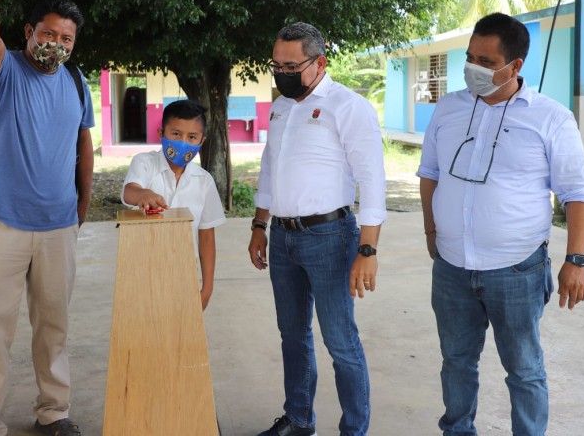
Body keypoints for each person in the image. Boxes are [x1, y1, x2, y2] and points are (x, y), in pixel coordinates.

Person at [417, 12, 584, 436]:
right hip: (452, 267)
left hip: (517, 268)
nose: (473, 69)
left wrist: (577, 258)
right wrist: (431, 232)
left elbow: (577, 193)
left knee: (524, 368)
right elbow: (430, 174)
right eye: (469, 58)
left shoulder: (550, 118)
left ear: (515, 66)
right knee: (456, 362)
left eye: (486, 61)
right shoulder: (449, 107)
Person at [0, 0, 94, 436]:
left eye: (66, 37)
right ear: (28, 33)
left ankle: (53, 413)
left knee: (53, 329)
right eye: (47, 33)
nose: (55, 44)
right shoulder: (5, 70)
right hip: (1, 225)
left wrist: (80, 207)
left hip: (58, 227)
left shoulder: (77, 82)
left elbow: (83, 147)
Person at [248, 22, 387, 436]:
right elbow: (270, 168)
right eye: (276, 65)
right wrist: (260, 224)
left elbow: (373, 181)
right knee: (292, 335)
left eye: (291, 65)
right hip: (284, 238)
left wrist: (368, 249)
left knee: (341, 342)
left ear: (320, 62)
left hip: (331, 238)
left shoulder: (348, 106)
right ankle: (299, 419)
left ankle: (354, 430)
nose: (282, 73)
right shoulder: (280, 107)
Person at [121, 99, 226, 309]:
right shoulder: (144, 163)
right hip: (141, 274)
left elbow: (206, 236)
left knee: (182, 337)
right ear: (161, 133)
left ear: (201, 142)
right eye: (176, 134)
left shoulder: (204, 181)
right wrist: (143, 193)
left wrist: (207, 289)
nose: (183, 142)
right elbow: (129, 192)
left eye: (192, 137)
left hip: (184, 275)